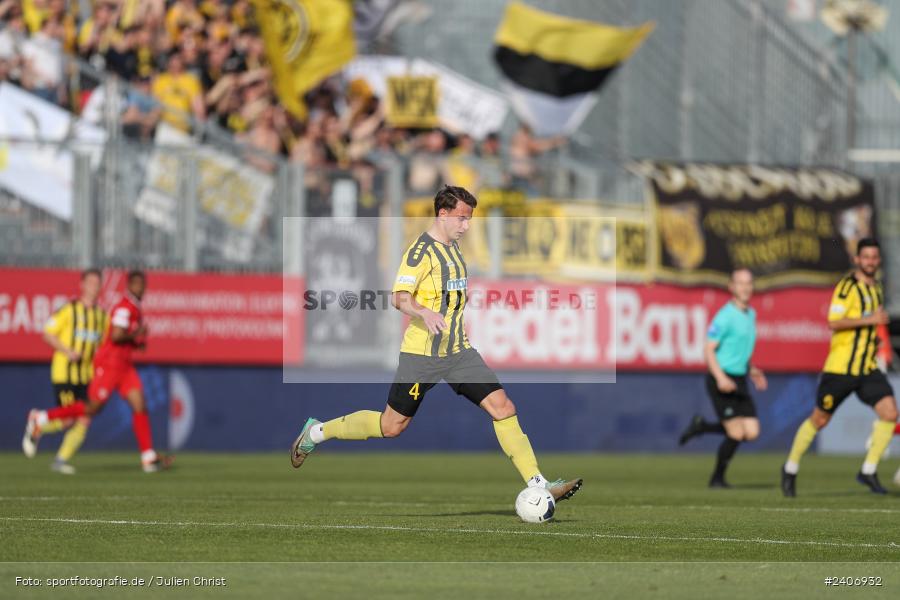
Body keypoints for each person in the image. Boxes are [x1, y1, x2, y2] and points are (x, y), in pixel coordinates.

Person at [290, 185, 583, 503]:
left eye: (469, 219)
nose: (466, 226)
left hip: (458, 352)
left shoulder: (454, 250)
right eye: (461, 219)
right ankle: (316, 432)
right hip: (422, 355)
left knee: (503, 407)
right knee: (391, 426)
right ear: (442, 214)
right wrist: (424, 311)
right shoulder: (420, 252)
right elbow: (399, 298)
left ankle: (538, 483)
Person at [782, 238, 897, 496]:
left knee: (890, 413)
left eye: (874, 257)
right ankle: (790, 467)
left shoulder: (876, 288)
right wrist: (870, 319)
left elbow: (872, 326)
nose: (870, 261)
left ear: (878, 260)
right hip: (841, 368)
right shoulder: (847, 288)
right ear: (857, 260)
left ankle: (868, 471)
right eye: (865, 257)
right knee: (820, 419)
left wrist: (878, 341)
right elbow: (833, 323)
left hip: (867, 368)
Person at [24, 270, 171, 473]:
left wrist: (136, 343)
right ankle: (40, 419)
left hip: (120, 367)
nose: (140, 288)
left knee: (139, 404)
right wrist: (136, 334)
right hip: (104, 367)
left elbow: (111, 337)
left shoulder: (106, 313)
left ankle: (147, 456)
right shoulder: (121, 308)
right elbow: (118, 336)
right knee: (87, 410)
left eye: (142, 284)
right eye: (136, 284)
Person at [678, 268, 767, 488]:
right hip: (721, 378)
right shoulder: (725, 316)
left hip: (740, 378)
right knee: (736, 433)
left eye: (749, 283)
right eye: (740, 283)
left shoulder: (751, 314)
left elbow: (739, 350)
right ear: (731, 287)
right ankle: (717, 479)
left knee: (752, 432)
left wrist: (752, 369)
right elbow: (709, 350)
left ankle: (703, 427)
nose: (745, 287)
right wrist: (720, 378)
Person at [22, 268, 106, 475]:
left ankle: (60, 460)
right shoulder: (69, 310)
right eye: (91, 283)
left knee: (85, 418)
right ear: (82, 285)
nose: (94, 288)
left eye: (97, 284)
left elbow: (102, 346)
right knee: (69, 420)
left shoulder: (102, 316)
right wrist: (67, 351)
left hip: (86, 375)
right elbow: (47, 333)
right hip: (65, 373)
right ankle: (37, 422)